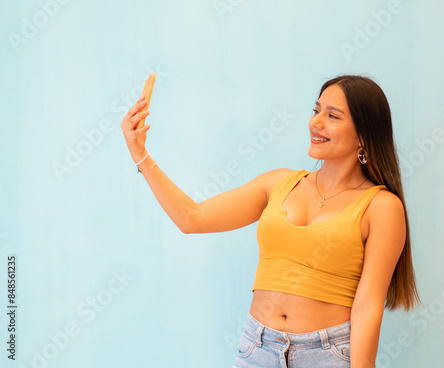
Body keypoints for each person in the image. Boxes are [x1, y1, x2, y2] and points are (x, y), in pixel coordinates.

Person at [121, 74, 420, 368]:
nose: (315, 122)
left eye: (333, 116)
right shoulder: (279, 183)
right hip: (258, 348)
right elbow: (192, 218)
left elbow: (367, 307)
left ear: (364, 134)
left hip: (327, 355)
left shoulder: (381, 207)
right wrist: (140, 154)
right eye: (316, 110)